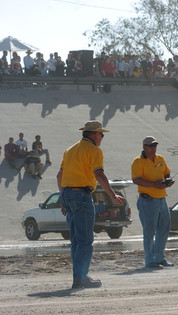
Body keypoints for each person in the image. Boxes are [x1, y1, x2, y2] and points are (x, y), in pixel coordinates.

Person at [56, 120, 125, 289]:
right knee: (85, 240)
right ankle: (81, 277)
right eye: (101, 134)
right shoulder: (94, 150)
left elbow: (59, 176)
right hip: (81, 195)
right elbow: (99, 174)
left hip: (66, 193)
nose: (102, 137)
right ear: (95, 134)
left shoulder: (70, 150)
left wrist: (63, 199)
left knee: (75, 240)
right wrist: (112, 194)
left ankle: (78, 276)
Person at [131, 136, 175, 268]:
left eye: (155, 146)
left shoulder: (160, 159)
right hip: (147, 200)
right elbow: (136, 179)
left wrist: (167, 180)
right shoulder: (138, 162)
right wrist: (154, 185)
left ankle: (159, 257)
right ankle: (149, 260)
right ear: (144, 147)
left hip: (162, 199)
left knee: (164, 229)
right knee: (149, 231)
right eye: (150, 146)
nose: (153, 148)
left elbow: (166, 172)